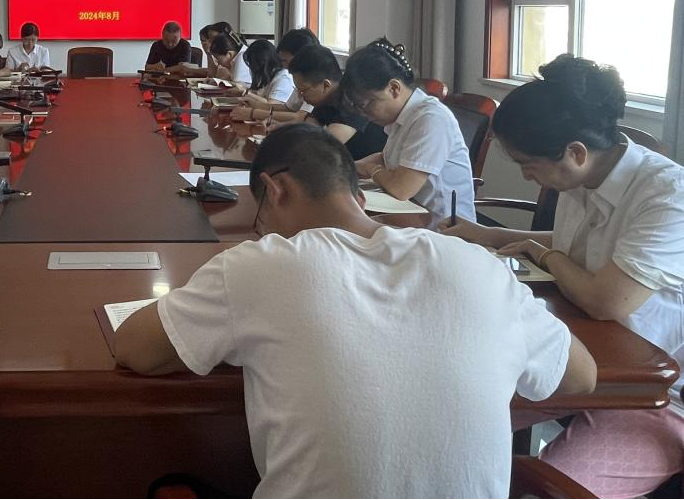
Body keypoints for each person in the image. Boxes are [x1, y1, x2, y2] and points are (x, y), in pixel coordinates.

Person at [114, 124, 597, 498]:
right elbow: (580, 376)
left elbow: (136, 350)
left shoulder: (261, 264)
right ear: (360, 197)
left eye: (262, 218)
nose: (265, 231)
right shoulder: (478, 265)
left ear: (275, 190)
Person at [440, 55, 684, 498]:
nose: (525, 176)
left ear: (575, 152)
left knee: (543, 489)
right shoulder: (586, 177)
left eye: (527, 164)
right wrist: (489, 235)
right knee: (447, 421)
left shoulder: (668, 196)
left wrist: (542, 253)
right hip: (584, 355)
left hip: (657, 395)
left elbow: (606, 299)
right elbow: (580, 246)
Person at [341, 38, 474, 227]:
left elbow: (401, 188)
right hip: (413, 217)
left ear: (393, 88)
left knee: (345, 227)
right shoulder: (405, 115)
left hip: (443, 229)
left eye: (366, 104)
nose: (363, 114)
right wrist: (348, 167)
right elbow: (388, 158)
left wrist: (370, 169)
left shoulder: (431, 118)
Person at [273, 44, 387, 159]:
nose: (300, 96)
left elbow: (323, 146)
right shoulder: (326, 99)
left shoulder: (352, 101)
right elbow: (309, 129)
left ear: (326, 85)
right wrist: (278, 128)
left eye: (303, 90)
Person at [235, 39, 294, 106]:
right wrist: (244, 91)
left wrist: (247, 93)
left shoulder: (283, 78)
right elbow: (260, 94)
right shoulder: (270, 74)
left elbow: (272, 104)